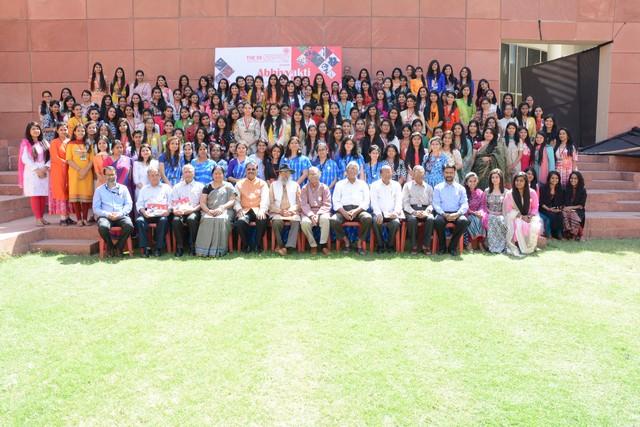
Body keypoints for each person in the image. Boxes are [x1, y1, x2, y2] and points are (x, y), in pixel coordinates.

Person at [330, 161, 372, 255]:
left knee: (368, 218)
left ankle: (359, 242)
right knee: (333, 220)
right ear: (346, 171)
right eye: (350, 168)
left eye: (355, 169)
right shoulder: (340, 184)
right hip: (343, 210)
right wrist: (344, 212)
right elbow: (335, 201)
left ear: (358, 172)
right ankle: (346, 241)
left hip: (359, 210)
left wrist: (356, 211)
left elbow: (366, 201)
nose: (352, 170)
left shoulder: (363, 184)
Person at [195, 165, 237, 257]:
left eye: (220, 173)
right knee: (207, 220)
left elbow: (232, 201)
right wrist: (208, 211)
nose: (217, 175)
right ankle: (203, 251)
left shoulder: (229, 186)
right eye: (215, 173)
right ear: (212, 175)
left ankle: (219, 250)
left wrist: (222, 208)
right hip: (209, 210)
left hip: (225, 210)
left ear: (223, 175)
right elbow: (202, 202)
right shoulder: (207, 186)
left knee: (221, 220)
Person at [92, 166, 133, 257]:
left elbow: (129, 204)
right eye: (108, 175)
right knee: (102, 227)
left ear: (116, 175)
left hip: (121, 215)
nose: (111, 177)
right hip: (106, 216)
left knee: (129, 226)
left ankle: (118, 247)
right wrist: (107, 214)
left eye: (112, 174)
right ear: (104, 176)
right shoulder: (99, 190)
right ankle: (110, 246)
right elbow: (95, 208)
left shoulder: (123, 188)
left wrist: (120, 214)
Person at [433, 163, 470, 255]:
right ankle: (442, 248)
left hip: (456, 213)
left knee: (464, 221)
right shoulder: (438, 188)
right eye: (447, 172)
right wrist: (443, 214)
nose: (449, 175)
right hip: (443, 213)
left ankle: (452, 247)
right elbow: (436, 204)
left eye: (451, 172)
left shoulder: (461, 188)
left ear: (454, 173)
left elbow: (465, 204)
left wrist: (458, 213)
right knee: (438, 221)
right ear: (443, 173)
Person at [233, 161, 270, 253]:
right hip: (245, 211)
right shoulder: (239, 184)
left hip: (258, 210)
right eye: (249, 169)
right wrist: (239, 209)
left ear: (257, 171)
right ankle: (246, 246)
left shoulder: (262, 183)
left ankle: (257, 245)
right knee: (240, 223)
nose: (251, 171)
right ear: (245, 170)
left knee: (262, 220)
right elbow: (236, 200)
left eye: (253, 169)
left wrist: (262, 210)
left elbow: (265, 198)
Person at [504, 172, 543, 256]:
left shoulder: (532, 192)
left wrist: (530, 216)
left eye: (521, 181)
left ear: (526, 182)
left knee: (535, 223)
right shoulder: (510, 194)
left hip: (529, 215)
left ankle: (530, 245)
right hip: (514, 216)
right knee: (518, 223)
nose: (518, 182)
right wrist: (521, 217)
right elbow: (508, 209)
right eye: (517, 180)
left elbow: (535, 207)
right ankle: (516, 245)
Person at [135, 166, 172, 257]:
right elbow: (139, 204)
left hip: (162, 213)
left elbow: (172, 202)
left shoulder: (166, 187)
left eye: (157, 175)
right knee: (139, 221)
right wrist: (143, 212)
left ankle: (158, 248)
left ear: (160, 176)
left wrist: (168, 211)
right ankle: (145, 248)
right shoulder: (144, 189)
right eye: (152, 175)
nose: (155, 177)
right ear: (148, 177)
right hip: (148, 214)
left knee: (163, 220)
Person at [20, 122, 51, 226]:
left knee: (42, 195)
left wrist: (45, 167)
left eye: (37, 129)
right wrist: (37, 170)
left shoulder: (44, 142)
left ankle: (42, 217)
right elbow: (25, 159)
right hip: (32, 172)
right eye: (33, 129)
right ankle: (38, 218)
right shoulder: (26, 143)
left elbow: (50, 157)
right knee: (35, 195)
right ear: (29, 131)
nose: (36, 131)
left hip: (44, 170)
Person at [170, 164, 204, 256]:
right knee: (176, 220)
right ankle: (180, 247)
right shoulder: (177, 187)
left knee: (191, 219)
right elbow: (173, 202)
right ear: (183, 174)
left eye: (190, 172)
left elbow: (202, 203)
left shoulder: (200, 186)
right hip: (180, 211)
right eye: (185, 172)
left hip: (195, 210)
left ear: (194, 173)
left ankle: (193, 247)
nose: (188, 174)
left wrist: (193, 210)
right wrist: (175, 210)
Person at [268, 164, 301, 256]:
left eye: (287, 172)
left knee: (296, 221)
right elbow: (270, 204)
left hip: (292, 212)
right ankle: (281, 245)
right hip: (278, 212)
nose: (285, 175)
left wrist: (291, 210)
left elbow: (299, 203)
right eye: (282, 172)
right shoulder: (273, 185)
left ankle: (288, 247)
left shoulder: (295, 185)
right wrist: (280, 211)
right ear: (279, 174)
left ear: (290, 174)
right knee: (276, 221)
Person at [370, 165, 403, 253]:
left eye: (389, 172)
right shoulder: (374, 185)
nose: (387, 174)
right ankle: (380, 245)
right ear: (380, 174)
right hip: (379, 212)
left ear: (392, 173)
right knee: (375, 221)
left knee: (395, 223)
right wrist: (378, 213)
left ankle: (390, 245)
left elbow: (399, 201)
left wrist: (396, 212)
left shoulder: (397, 185)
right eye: (385, 173)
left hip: (392, 213)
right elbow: (373, 202)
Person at [402, 165, 435, 255]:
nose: (420, 176)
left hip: (425, 210)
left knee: (431, 219)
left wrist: (427, 211)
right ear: (413, 175)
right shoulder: (407, 186)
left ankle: (426, 246)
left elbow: (432, 203)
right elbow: (405, 203)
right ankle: (414, 246)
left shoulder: (429, 187)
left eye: (422, 174)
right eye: (417, 174)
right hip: (411, 209)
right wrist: (414, 212)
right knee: (412, 219)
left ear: (424, 174)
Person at [66, 124, 94, 226]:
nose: (81, 132)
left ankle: (85, 219)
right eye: (78, 131)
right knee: (76, 197)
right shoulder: (70, 144)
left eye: (82, 131)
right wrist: (79, 170)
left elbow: (91, 160)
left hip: (87, 173)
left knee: (85, 197)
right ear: (74, 132)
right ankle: (78, 219)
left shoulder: (89, 144)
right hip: (74, 173)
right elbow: (69, 159)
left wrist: (85, 171)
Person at [300, 166, 332, 255]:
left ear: (319, 175)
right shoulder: (304, 188)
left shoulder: (324, 187)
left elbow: (327, 204)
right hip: (308, 212)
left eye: (315, 174)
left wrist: (318, 214)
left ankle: (323, 245)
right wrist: (311, 215)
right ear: (308, 176)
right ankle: (313, 245)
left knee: (325, 219)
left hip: (322, 212)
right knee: (304, 223)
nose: (313, 176)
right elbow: (303, 204)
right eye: (311, 174)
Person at [484, 168, 508, 254]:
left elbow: (507, 207)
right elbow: (484, 205)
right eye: (493, 177)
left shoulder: (506, 192)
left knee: (501, 220)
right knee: (492, 218)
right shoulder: (487, 191)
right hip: (489, 214)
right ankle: (492, 246)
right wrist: (491, 212)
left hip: (502, 214)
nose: (494, 179)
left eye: (497, 177)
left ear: (500, 178)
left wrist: (500, 213)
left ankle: (502, 246)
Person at [463, 172, 487, 252]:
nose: (472, 183)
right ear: (466, 182)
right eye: (470, 181)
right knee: (472, 219)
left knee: (482, 219)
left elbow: (483, 205)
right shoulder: (463, 192)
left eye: (474, 181)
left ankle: (480, 243)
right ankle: (469, 243)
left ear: (477, 181)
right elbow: (464, 206)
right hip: (467, 213)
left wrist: (480, 212)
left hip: (478, 214)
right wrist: (473, 213)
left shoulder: (480, 192)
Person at [539, 171, 564, 239]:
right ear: (549, 178)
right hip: (544, 208)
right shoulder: (543, 188)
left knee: (560, 215)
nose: (554, 180)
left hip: (555, 208)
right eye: (552, 178)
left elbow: (561, 202)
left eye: (556, 178)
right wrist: (549, 209)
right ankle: (551, 234)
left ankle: (559, 234)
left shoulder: (560, 189)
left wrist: (558, 209)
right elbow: (541, 202)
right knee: (551, 215)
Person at [562, 171, 587, 240]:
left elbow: (581, 205)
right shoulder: (566, 189)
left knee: (573, 214)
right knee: (564, 213)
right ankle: (568, 233)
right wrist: (567, 208)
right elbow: (564, 202)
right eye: (571, 178)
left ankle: (576, 234)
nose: (573, 180)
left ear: (579, 180)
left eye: (575, 178)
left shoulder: (583, 190)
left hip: (578, 210)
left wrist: (570, 207)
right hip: (567, 209)